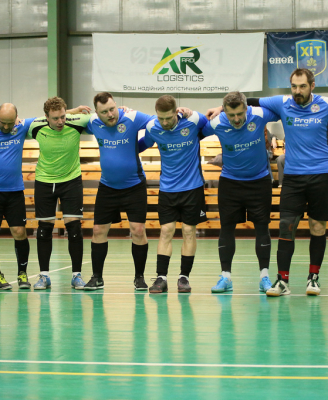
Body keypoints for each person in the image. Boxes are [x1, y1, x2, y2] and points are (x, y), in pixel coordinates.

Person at [208, 69, 328, 296]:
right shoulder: (283, 102)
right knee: (286, 226)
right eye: (294, 86)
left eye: (302, 86)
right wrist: (219, 107)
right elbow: (250, 100)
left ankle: (313, 279)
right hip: (292, 175)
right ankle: (282, 281)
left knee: (317, 227)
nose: (297, 91)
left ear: (312, 86)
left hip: (321, 173)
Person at [202, 91, 280, 293]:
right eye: (231, 115)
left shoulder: (259, 114)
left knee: (262, 228)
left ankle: (264, 277)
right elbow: (193, 128)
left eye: (239, 114)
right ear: (225, 113)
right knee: (226, 228)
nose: (236, 119)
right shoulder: (217, 122)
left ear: (246, 108)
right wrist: (184, 112)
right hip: (230, 183)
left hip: (259, 182)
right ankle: (225, 277)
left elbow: (282, 108)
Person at [84, 92, 153, 290]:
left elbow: (156, 123)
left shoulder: (132, 117)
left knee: (138, 231)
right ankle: (97, 277)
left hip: (134, 186)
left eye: (112, 109)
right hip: (107, 187)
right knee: (98, 231)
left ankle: (139, 277)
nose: (110, 114)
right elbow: (66, 120)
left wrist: (141, 145)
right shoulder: (92, 122)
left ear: (117, 105)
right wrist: (75, 110)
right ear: (97, 113)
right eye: (104, 112)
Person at [141, 95, 208, 294]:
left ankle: (184, 277)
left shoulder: (193, 121)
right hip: (167, 189)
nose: (164, 122)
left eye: (168, 118)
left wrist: (193, 112)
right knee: (166, 231)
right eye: (161, 118)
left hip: (192, 188)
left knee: (188, 231)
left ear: (176, 112)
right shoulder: (153, 127)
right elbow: (143, 144)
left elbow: (210, 123)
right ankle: (161, 278)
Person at [27, 97, 92, 290]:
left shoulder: (77, 122)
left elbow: (106, 117)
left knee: (74, 228)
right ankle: (44, 276)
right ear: (46, 117)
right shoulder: (35, 126)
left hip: (71, 180)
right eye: (55, 118)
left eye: (63, 116)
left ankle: (76, 275)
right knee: (44, 229)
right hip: (44, 181)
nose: (60, 121)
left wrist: (122, 110)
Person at [0, 103, 36, 290]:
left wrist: (73, 111)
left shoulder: (22, 127)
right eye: (2, 122)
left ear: (17, 118)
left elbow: (50, 116)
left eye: (10, 123)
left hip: (14, 191)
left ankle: (22, 273)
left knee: (19, 232)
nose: (6, 127)